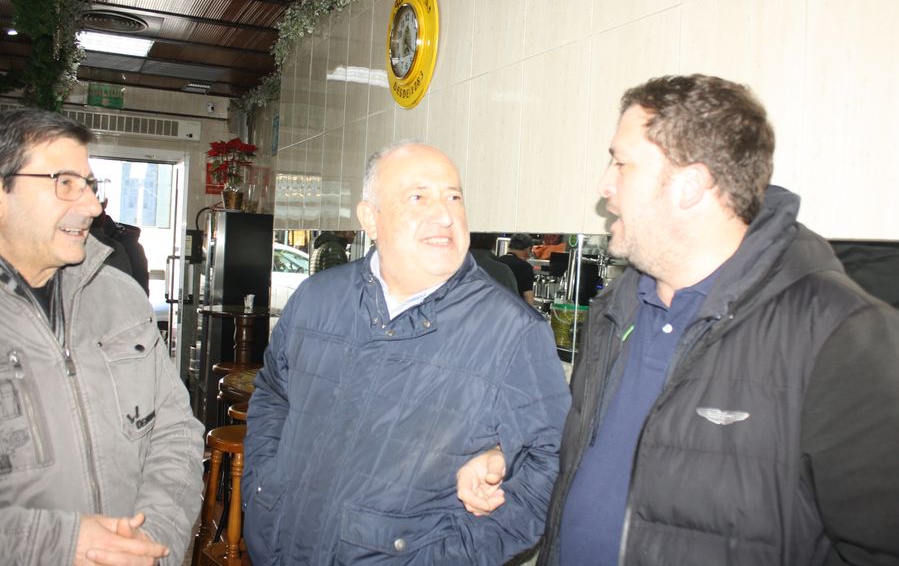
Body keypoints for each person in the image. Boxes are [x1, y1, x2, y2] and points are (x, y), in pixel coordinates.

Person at [457, 75, 899, 565]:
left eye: (621, 164)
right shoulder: (617, 310)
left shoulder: (841, 334)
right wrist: (509, 457)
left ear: (690, 186)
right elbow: (602, 456)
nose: (604, 186)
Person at [242, 142, 570, 564]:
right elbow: (273, 396)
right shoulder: (316, 298)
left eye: (454, 197)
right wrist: (264, 491)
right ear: (369, 219)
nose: (445, 215)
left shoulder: (513, 332)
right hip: (279, 549)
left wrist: (449, 557)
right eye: (418, 197)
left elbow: (551, 464)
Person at [0, 109, 204, 565]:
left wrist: (152, 542)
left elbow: (175, 432)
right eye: (65, 183)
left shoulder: (121, 297)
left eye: (90, 185)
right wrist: (60, 544)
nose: (93, 206)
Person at [498, 233, 536, 305]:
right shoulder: (525, 267)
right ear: (528, 249)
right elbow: (528, 296)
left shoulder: (496, 261)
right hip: (514, 308)